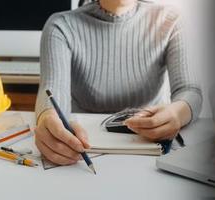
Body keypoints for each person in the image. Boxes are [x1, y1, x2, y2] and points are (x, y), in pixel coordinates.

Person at [34, 0, 202, 165]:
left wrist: (177, 114)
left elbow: (190, 90)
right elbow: (52, 91)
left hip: (151, 152)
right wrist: (47, 118)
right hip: (84, 152)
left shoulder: (171, 20)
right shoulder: (61, 25)